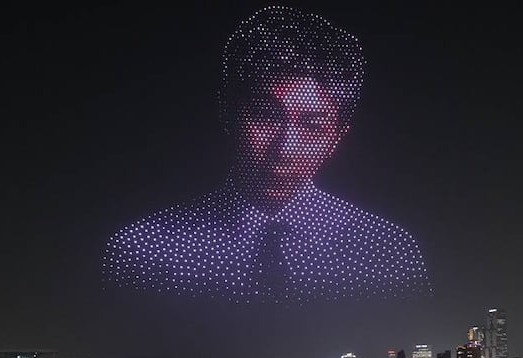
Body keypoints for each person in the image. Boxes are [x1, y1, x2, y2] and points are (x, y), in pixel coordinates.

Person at [104, 6, 429, 303]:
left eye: (312, 126)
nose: (285, 148)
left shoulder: (386, 251)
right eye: (266, 116)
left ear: (336, 138)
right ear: (229, 114)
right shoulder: (145, 250)